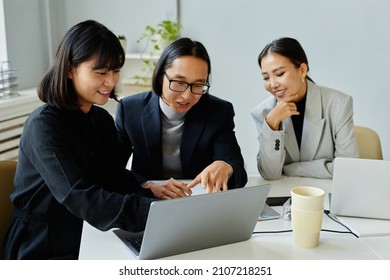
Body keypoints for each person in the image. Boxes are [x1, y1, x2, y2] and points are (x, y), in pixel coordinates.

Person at [2, 20, 155, 260]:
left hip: (83, 230)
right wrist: (153, 212)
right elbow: (77, 194)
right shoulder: (43, 125)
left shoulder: (101, 119)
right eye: (101, 72)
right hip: (40, 243)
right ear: (70, 69)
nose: (111, 81)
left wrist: (149, 190)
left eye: (116, 71)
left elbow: (111, 176)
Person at [115, 37, 247, 199]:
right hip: (147, 201)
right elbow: (113, 170)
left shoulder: (218, 111)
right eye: (179, 82)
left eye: (198, 85)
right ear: (160, 76)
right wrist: (147, 185)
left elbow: (238, 171)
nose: (187, 95)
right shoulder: (130, 109)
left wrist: (226, 167)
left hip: (197, 200)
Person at [251, 37, 358, 180]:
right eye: (266, 77)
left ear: (302, 70)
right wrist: (271, 125)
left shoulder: (339, 104)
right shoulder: (263, 113)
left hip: (328, 194)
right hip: (284, 195)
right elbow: (270, 174)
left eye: (279, 74)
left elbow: (348, 169)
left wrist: (292, 168)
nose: (273, 84)